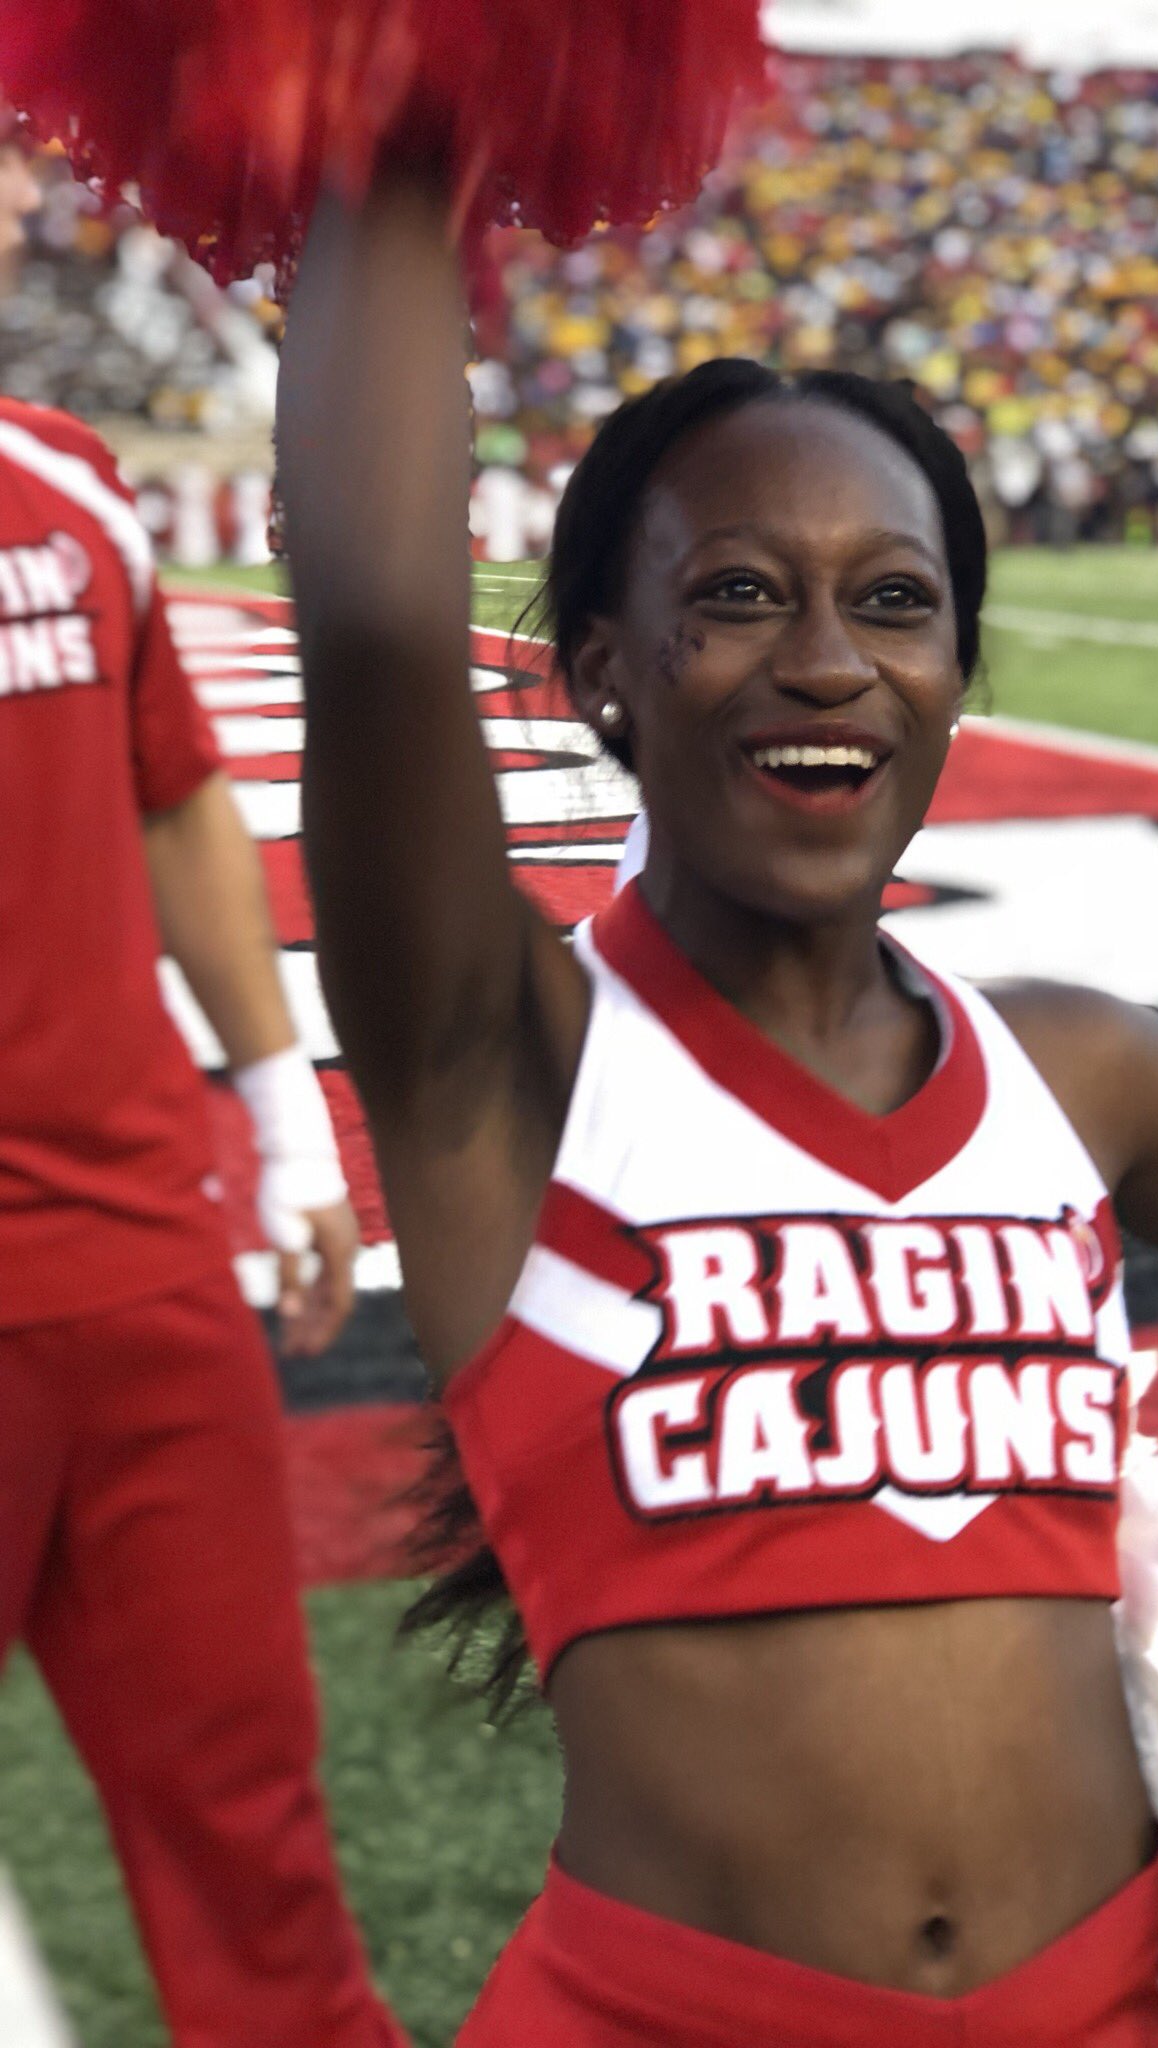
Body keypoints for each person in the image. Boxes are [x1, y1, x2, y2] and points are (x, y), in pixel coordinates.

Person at [277, 160, 1158, 2047]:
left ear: (957, 673)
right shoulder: (510, 1055)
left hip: (1123, 2007)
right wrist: (395, 159)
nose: (826, 662)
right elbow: (383, 626)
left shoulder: (1089, 1067)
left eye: (895, 603)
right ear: (602, 677)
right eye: (735, 596)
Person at [0, 131, 408, 2048]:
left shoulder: (70, 482)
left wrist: (275, 1112)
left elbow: (177, 795)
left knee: (250, 1831)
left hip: (146, 1266)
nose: (14, 190)